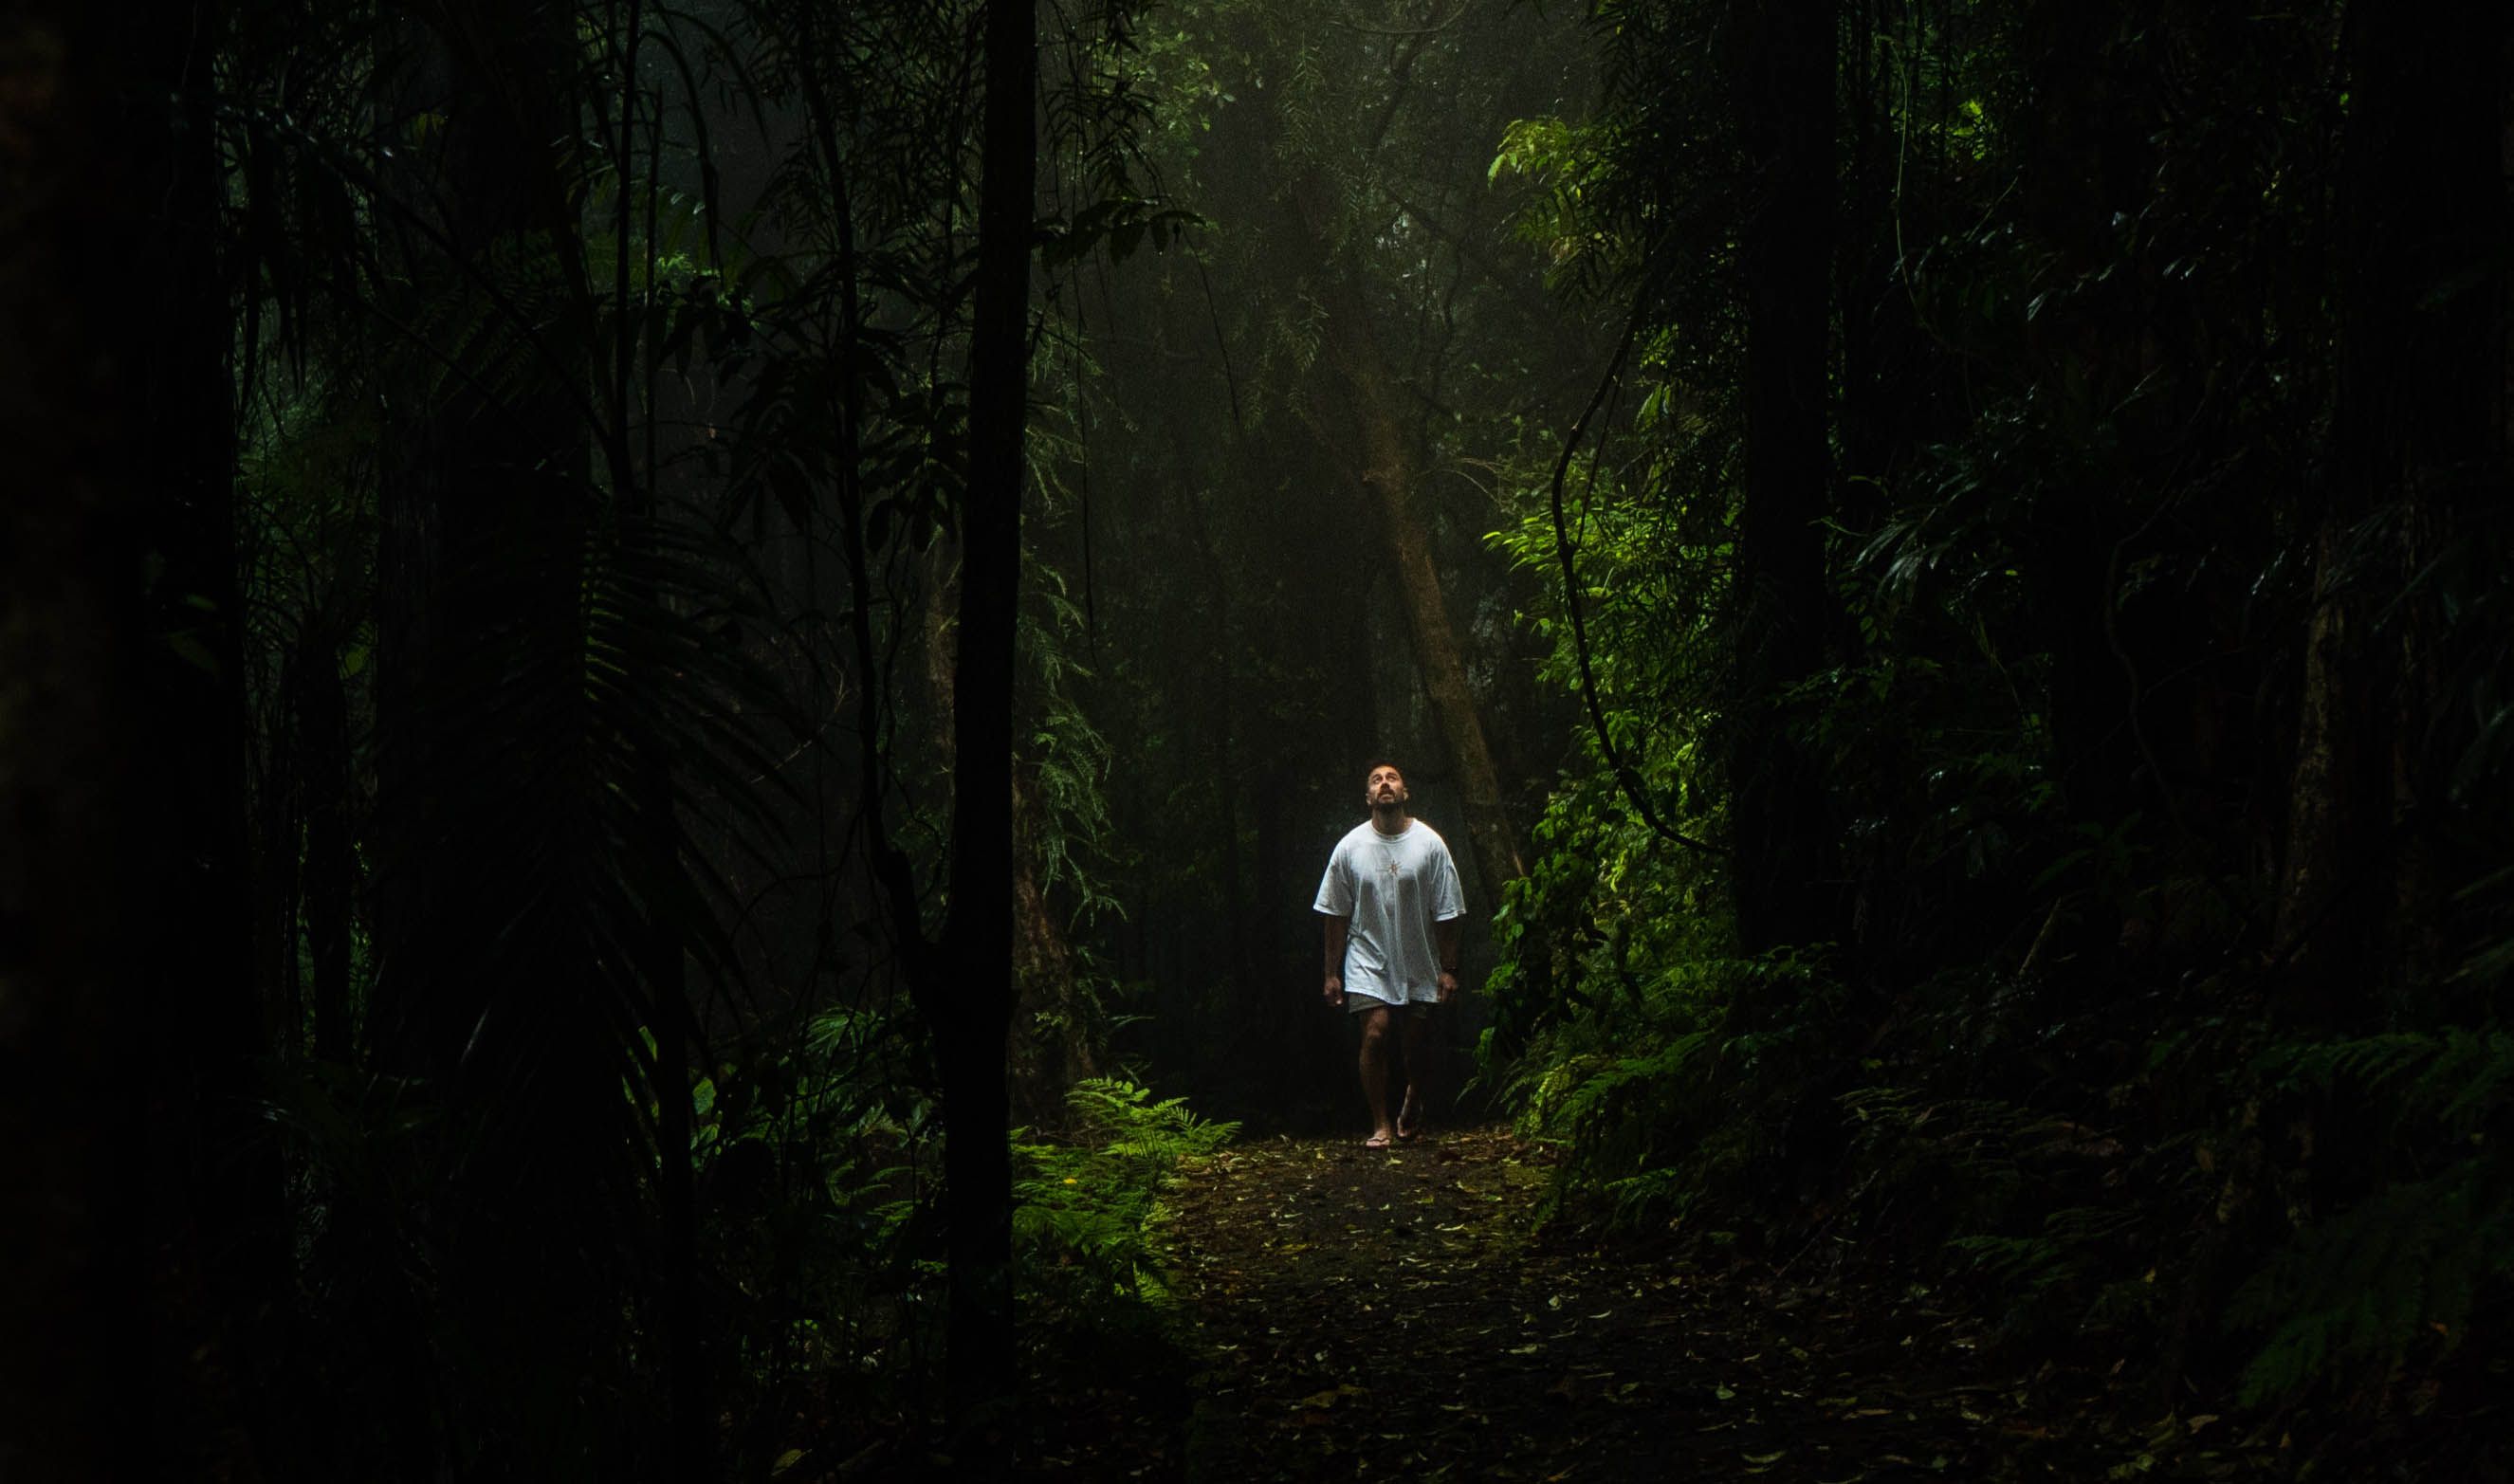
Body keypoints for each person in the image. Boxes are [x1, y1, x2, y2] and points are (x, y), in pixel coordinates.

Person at [1313, 760, 1465, 1149]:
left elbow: (1449, 911)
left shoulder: (1430, 844)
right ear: (1367, 797)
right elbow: (1334, 913)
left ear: (1405, 792)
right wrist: (1331, 972)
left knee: (1416, 1044)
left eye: (1392, 778)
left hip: (1418, 958)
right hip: (1367, 957)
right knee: (1376, 1033)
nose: (1385, 783)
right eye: (1377, 780)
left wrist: (1448, 968)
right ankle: (1380, 1123)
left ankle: (1414, 1095)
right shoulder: (1349, 847)